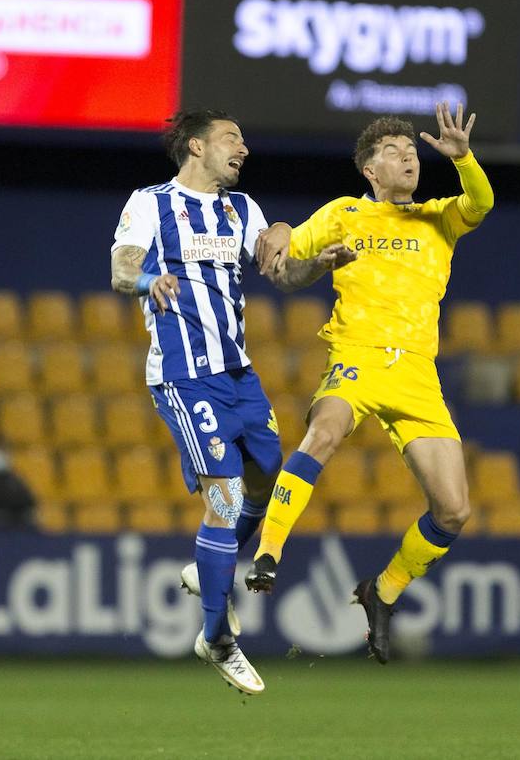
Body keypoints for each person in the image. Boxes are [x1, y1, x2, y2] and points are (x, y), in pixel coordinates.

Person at [109, 110, 354, 694]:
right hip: (184, 377)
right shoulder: (150, 202)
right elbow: (122, 268)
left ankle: (206, 569)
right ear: (197, 146)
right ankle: (217, 637)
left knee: (270, 483)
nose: (244, 147)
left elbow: (281, 275)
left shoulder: (242, 211)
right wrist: (149, 281)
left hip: (241, 378)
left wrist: (316, 265)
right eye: (232, 137)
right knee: (225, 497)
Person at [244, 101, 494, 665]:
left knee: (454, 512)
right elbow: (288, 264)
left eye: (412, 153)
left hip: (417, 375)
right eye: (392, 153)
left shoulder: (439, 217)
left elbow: (482, 202)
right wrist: (283, 230)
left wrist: (466, 159)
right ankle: (268, 551)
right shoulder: (344, 214)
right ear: (369, 171)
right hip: (357, 357)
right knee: (325, 430)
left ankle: (382, 593)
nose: (407, 158)